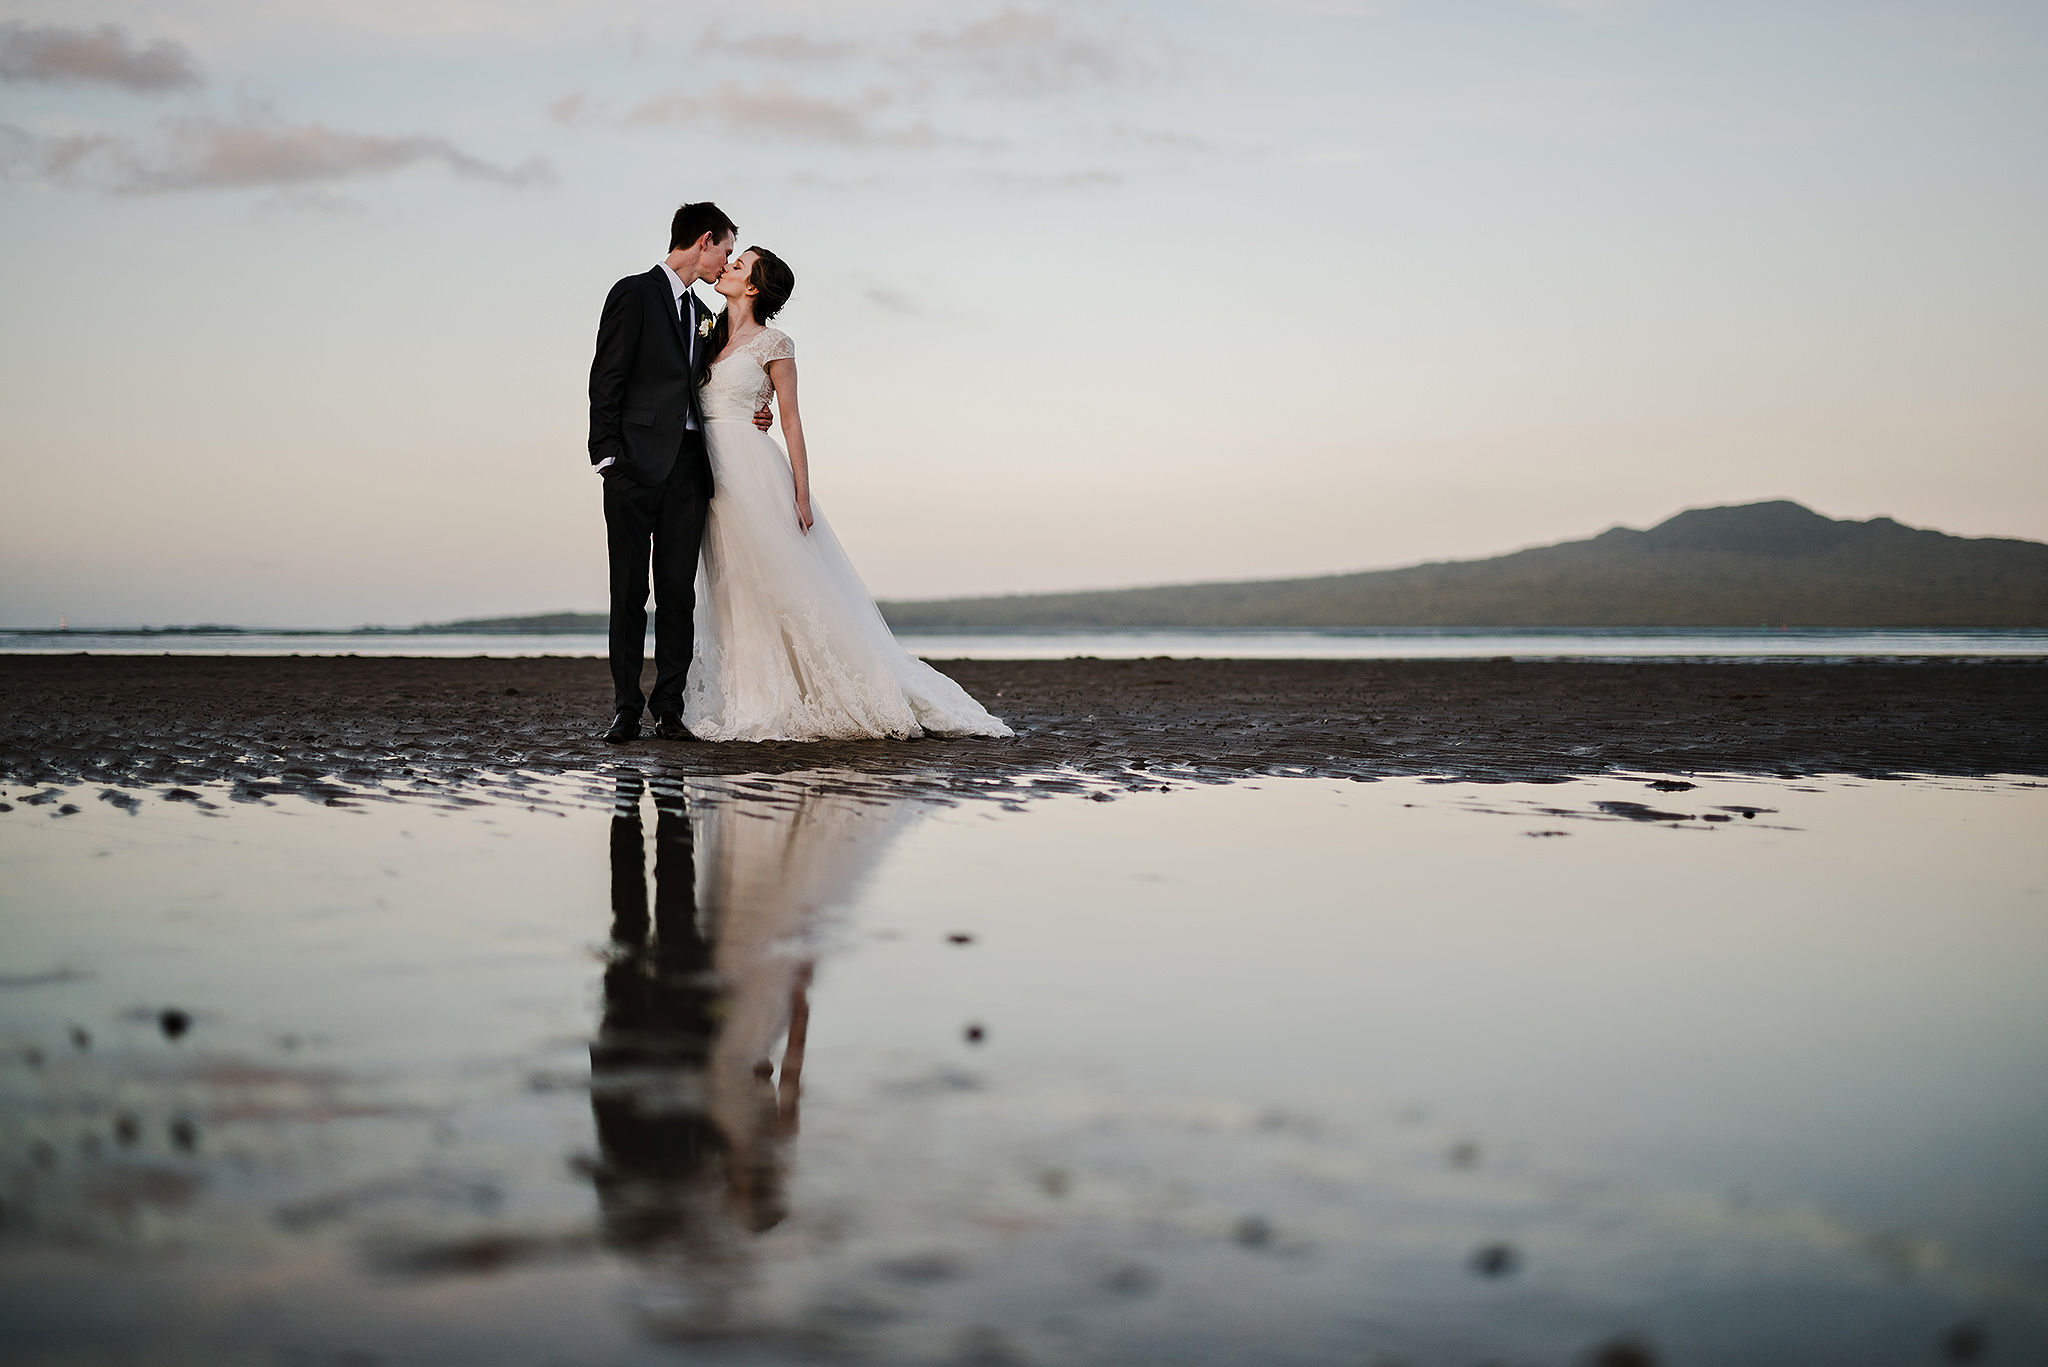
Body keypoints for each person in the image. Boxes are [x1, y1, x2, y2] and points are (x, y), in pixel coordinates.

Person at [680, 247, 1012, 741]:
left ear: (753, 287)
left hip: (751, 474)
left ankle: (814, 692)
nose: (726, 267)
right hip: (707, 473)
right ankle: (745, 695)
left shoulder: (775, 342)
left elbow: (790, 420)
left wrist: (801, 495)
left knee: (778, 583)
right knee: (730, 587)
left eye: (738, 264)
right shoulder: (704, 337)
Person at [587, 202, 773, 744]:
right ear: (704, 240)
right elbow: (607, 377)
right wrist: (607, 457)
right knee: (627, 591)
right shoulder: (633, 293)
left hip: (689, 472)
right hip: (632, 470)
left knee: (678, 594)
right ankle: (625, 709)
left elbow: (720, 378)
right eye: (727, 252)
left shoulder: (702, 316)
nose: (727, 263)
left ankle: (669, 710)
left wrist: (756, 407)